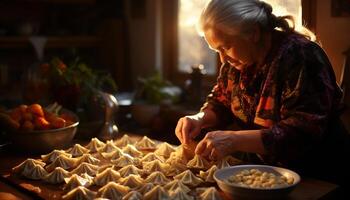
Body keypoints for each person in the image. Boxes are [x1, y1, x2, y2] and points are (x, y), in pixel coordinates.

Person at [175, 0, 350, 186]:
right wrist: (199, 118)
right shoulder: (236, 63)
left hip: (318, 175)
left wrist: (234, 140)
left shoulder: (300, 55)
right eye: (217, 50)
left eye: (225, 47)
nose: (222, 58)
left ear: (253, 33)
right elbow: (221, 103)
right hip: (267, 175)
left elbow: (301, 132)